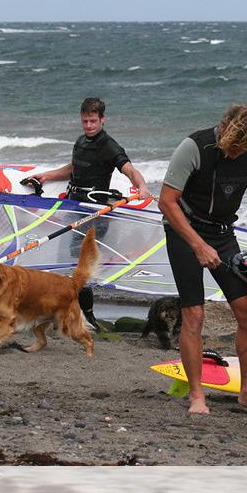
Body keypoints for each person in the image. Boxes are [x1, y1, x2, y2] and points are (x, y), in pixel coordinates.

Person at [158, 104, 247, 420]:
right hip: (184, 231)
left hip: (224, 235)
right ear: (224, 129)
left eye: (244, 149)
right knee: (194, 314)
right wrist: (197, 244)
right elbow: (166, 201)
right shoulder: (194, 147)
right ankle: (197, 394)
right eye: (234, 147)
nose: (238, 154)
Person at [33, 97, 152, 330]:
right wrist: (47, 175)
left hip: (94, 212)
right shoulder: (80, 141)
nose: (89, 126)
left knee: (80, 266)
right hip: (73, 207)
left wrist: (142, 187)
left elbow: (129, 169)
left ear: (102, 119)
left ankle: (88, 317)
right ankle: (67, 312)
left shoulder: (108, 145)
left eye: (93, 121)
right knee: (65, 263)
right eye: (85, 121)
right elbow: (73, 168)